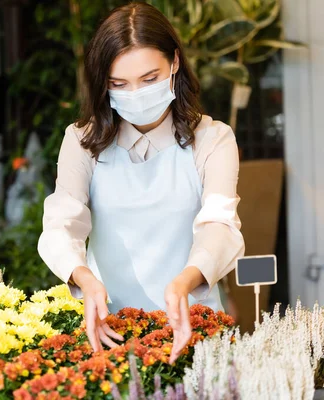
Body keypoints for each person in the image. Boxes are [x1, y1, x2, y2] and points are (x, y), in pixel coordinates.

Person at [37, 2, 245, 365]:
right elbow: (61, 222)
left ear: (175, 63)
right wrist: (84, 279)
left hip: (193, 325)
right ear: (103, 83)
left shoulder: (213, 139)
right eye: (119, 84)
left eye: (149, 80)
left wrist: (183, 283)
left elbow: (220, 225)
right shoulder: (81, 140)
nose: (135, 94)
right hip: (109, 328)